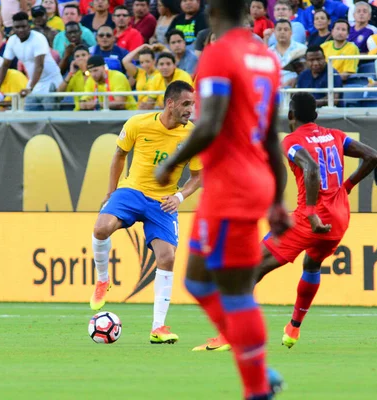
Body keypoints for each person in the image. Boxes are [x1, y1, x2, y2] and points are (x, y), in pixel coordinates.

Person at [154, 0, 287, 397]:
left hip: (231, 186)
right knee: (197, 280)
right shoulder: (266, 58)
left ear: (212, 11)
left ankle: (256, 386)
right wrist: (278, 198)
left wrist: (172, 162)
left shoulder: (217, 54)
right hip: (253, 180)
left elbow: (209, 123)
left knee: (235, 292)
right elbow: (269, 137)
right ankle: (257, 367)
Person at [258, 92, 377, 348]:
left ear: (290, 114)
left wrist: (312, 213)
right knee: (312, 265)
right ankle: (293, 328)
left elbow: (311, 168)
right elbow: (374, 156)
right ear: (316, 115)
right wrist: (347, 186)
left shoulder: (292, 141)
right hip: (338, 221)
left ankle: (230, 335)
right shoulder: (335, 135)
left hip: (310, 219)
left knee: (250, 266)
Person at [89, 80, 202, 344]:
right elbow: (119, 156)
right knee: (101, 228)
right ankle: (103, 281)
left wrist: (179, 196)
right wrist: (110, 192)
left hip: (162, 201)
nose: (190, 110)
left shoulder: (192, 135)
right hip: (132, 192)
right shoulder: (138, 124)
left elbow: (197, 176)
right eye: (186, 104)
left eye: (193, 105)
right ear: (170, 103)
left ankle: (158, 327)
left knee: (167, 257)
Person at [0, 11, 63, 111]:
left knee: (50, 117)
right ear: (13, 28)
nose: (21, 30)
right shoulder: (12, 41)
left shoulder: (38, 38)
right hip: (34, 83)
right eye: (17, 27)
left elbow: (39, 66)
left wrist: (30, 88)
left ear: (29, 26)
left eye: (24, 26)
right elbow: (4, 66)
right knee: (29, 116)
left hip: (51, 81)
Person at [269, 19, 307, 87]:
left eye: (286, 29)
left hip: (296, 88)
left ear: (291, 32)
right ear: (274, 32)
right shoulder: (268, 52)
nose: (282, 32)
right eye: (279, 29)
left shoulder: (302, 49)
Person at [56, 44, 89, 110]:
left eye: (83, 55)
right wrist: (70, 73)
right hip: (78, 111)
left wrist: (84, 70)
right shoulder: (74, 75)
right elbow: (59, 95)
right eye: (77, 56)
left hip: (95, 111)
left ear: (89, 56)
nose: (80, 58)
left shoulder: (95, 70)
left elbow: (88, 90)